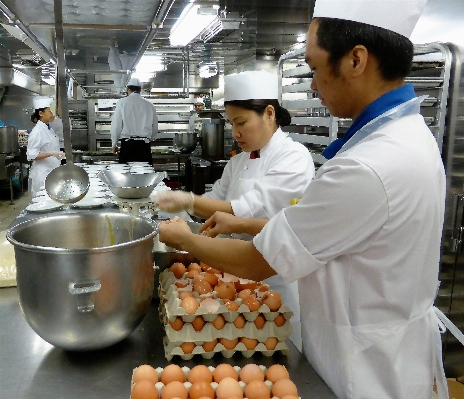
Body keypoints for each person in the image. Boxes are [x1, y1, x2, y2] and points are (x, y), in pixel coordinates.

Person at [158, 0, 450, 398]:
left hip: (364, 370)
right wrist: (234, 223)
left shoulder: (369, 166)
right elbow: (322, 231)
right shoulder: (408, 138)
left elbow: (260, 261)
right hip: (380, 344)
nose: (312, 84)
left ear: (356, 60)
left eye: (314, 67)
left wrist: (185, 240)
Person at [157, 70, 316, 351]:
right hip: (230, 275)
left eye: (241, 122)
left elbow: (241, 210)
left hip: (273, 282)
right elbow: (215, 202)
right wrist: (185, 213)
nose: (235, 133)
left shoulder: (294, 158)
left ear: (269, 113)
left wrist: (187, 200)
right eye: (231, 123)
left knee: (273, 347)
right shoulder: (239, 161)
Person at [110, 77, 158, 164]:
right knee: (145, 174)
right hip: (144, 146)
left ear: (128, 89)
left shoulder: (122, 102)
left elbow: (116, 126)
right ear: (140, 90)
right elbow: (155, 128)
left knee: (127, 175)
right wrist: (150, 139)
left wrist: (114, 144)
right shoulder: (150, 105)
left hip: (128, 146)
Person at [26, 96, 65, 197]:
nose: (53, 114)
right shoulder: (37, 132)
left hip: (52, 172)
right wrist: (51, 154)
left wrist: (58, 154)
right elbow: (31, 155)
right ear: (41, 113)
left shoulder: (49, 129)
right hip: (42, 175)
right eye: (50, 111)